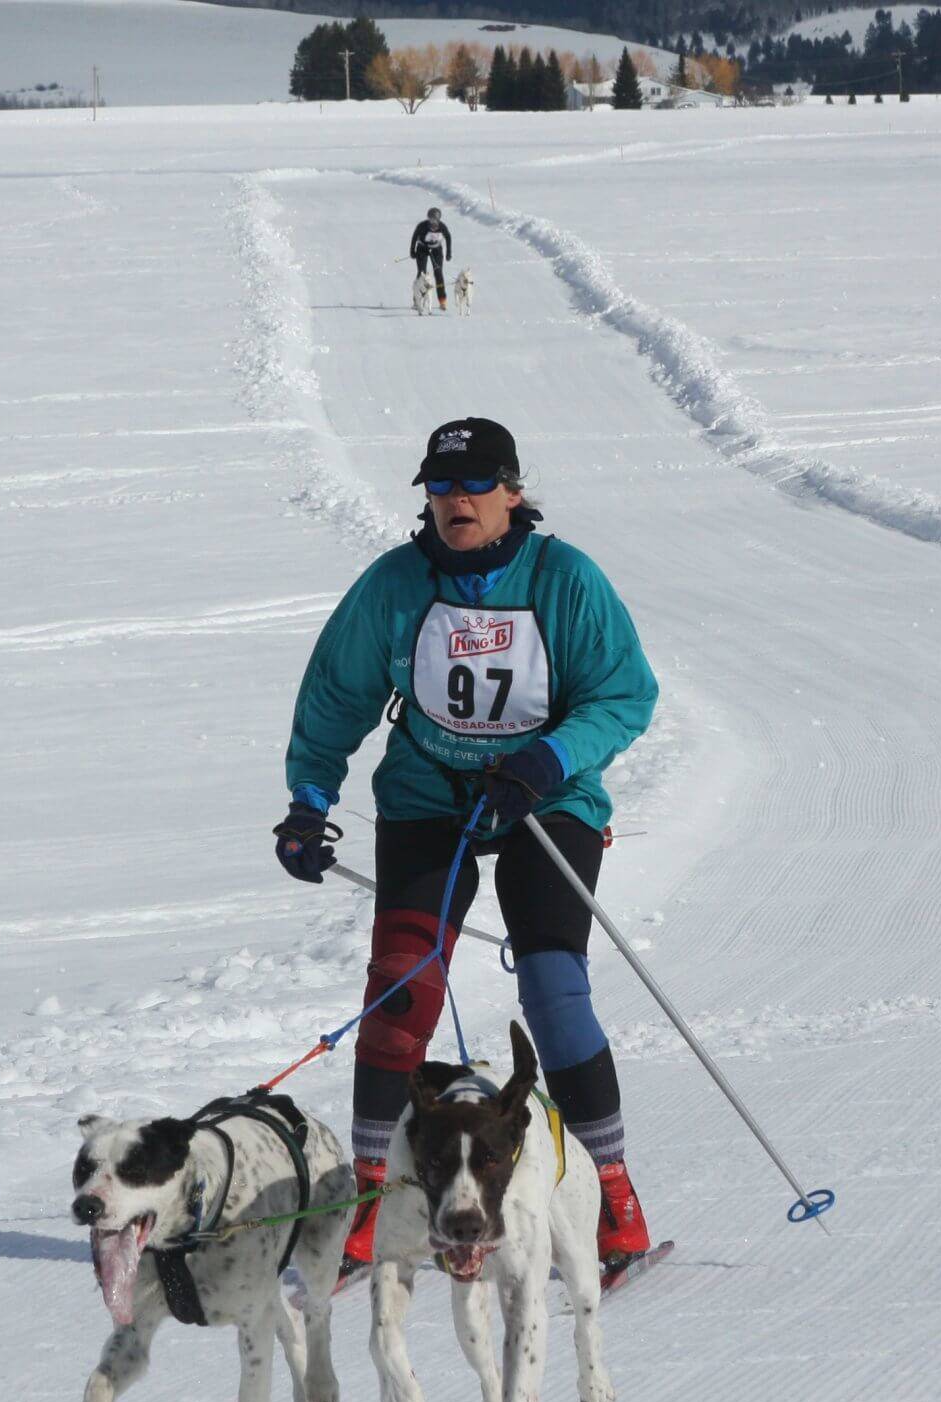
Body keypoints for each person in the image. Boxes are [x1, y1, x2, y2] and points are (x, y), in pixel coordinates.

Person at [273, 417, 660, 1279]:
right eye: (441, 488)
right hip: (430, 795)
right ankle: (371, 1199)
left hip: (545, 799)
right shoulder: (395, 586)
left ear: (513, 492)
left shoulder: (565, 580)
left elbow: (625, 694)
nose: (457, 502)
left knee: (555, 988)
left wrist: (546, 758)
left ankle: (614, 1192)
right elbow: (336, 694)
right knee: (401, 989)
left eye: (476, 486)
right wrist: (308, 800)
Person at [409, 208, 453, 312]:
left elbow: (448, 237)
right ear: (428, 219)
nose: (433, 223)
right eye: (431, 220)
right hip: (422, 248)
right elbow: (415, 236)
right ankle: (416, 299)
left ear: (438, 219)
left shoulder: (442, 226)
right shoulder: (422, 226)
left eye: (435, 220)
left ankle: (442, 301)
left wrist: (448, 253)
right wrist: (412, 250)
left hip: (436, 249)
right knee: (421, 273)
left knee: (438, 274)